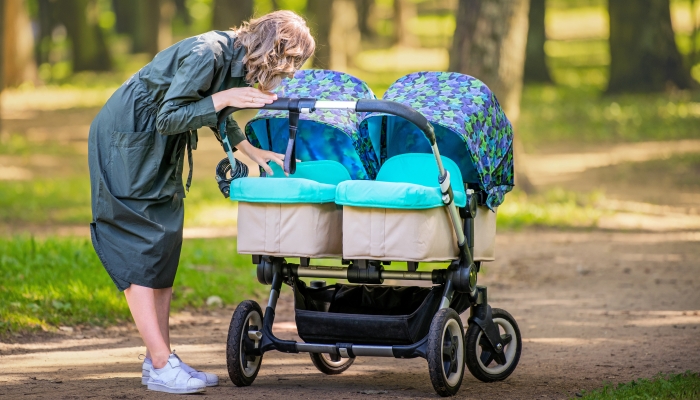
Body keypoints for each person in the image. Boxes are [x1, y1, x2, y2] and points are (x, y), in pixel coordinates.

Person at [87, 11, 315, 394]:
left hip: (155, 146)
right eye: (288, 59)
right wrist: (224, 96)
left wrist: (249, 150)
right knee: (139, 245)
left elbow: (216, 112)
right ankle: (161, 364)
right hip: (126, 140)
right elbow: (169, 116)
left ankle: (158, 359)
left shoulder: (237, 60)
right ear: (268, 46)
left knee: (163, 243)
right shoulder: (207, 53)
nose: (289, 70)